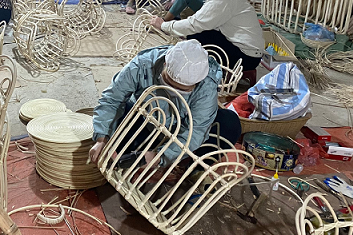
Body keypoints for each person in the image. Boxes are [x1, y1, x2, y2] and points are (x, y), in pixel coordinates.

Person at [88, 40, 241, 171]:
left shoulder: (206, 87)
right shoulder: (144, 64)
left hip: (179, 131)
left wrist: (161, 156)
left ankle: (192, 169)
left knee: (229, 123)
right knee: (116, 148)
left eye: (182, 90)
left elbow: (196, 131)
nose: (173, 92)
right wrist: (102, 138)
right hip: (146, 121)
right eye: (168, 82)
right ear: (165, 64)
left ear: (197, 83)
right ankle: (132, 151)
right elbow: (112, 99)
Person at [151, 0, 264, 71]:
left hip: (246, 56)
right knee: (195, 33)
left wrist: (163, 26)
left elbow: (194, 24)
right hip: (243, 48)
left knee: (196, 37)